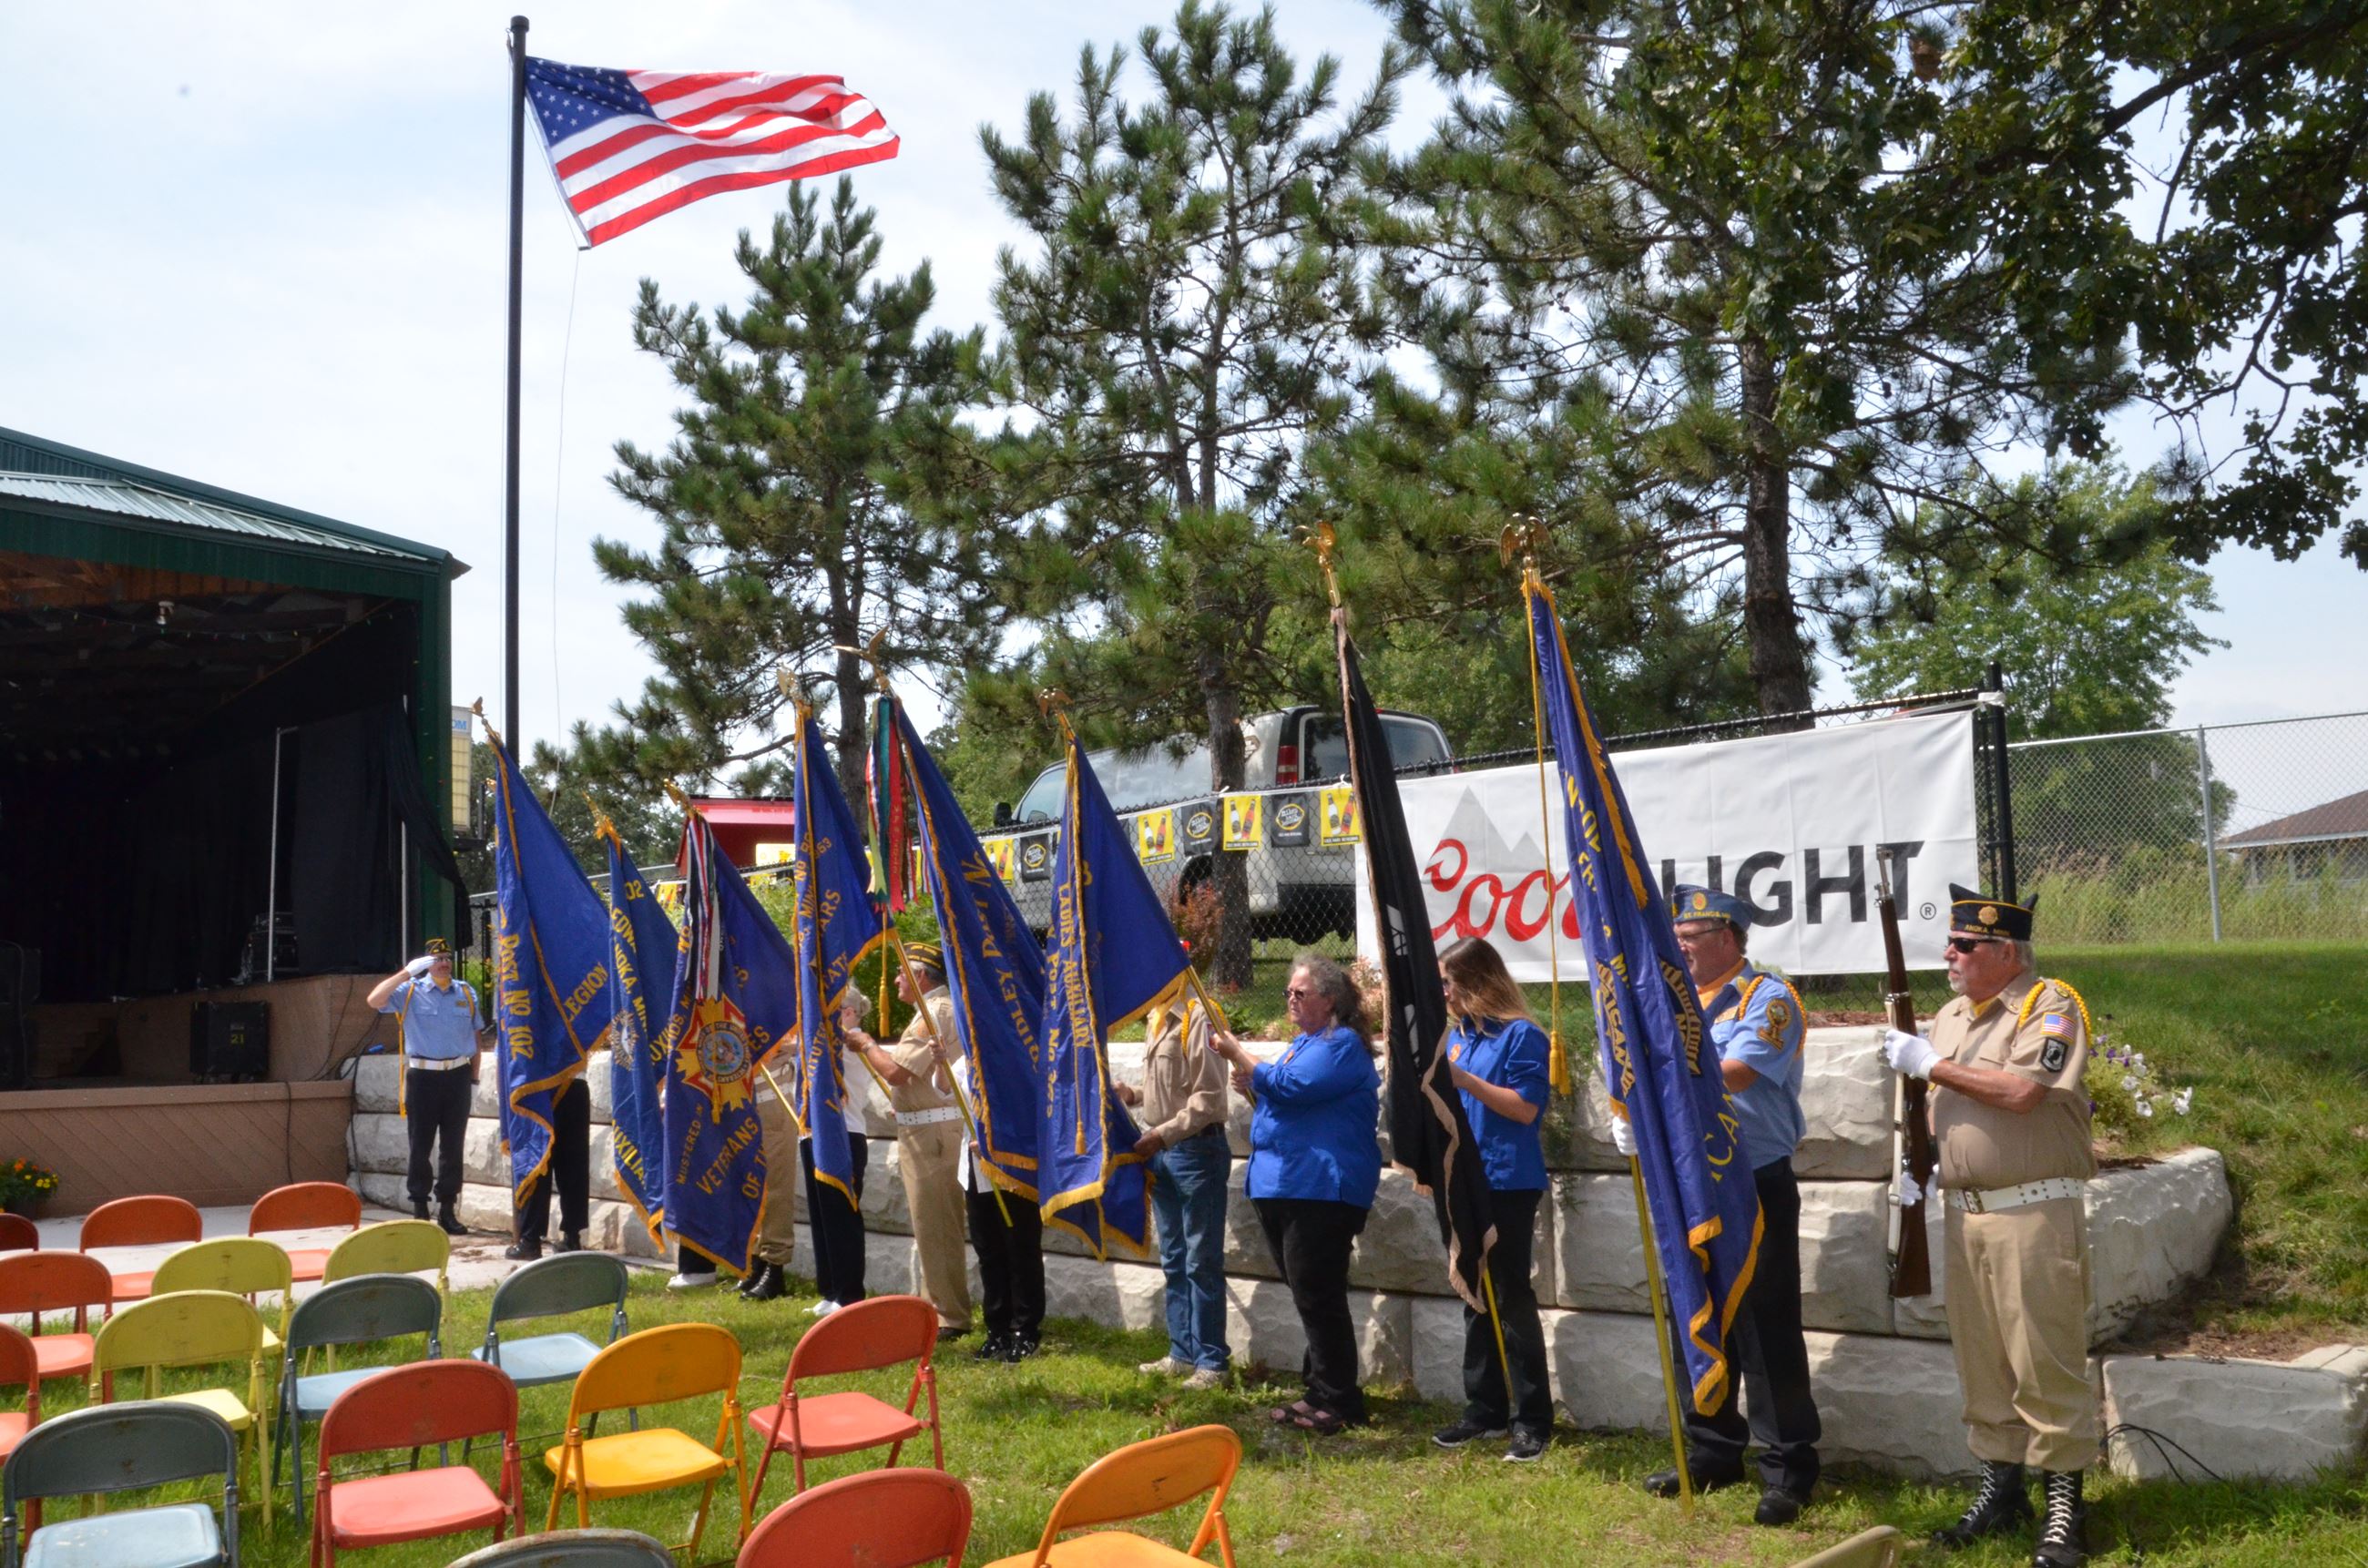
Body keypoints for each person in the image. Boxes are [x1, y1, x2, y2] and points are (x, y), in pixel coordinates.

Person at [1884, 886, 2097, 1568]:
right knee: (1984, 1365)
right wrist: (1921, 1163)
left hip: (2033, 1212)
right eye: (1951, 942)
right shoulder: (1950, 1014)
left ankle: (2065, 1503)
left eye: (1966, 944)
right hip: (1967, 1215)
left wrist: (1932, 1065)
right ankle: (2002, 1489)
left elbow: (2025, 1093)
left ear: (2007, 952)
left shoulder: (2048, 1006)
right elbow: (1940, 1108)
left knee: (2044, 1360)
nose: (1950, 953)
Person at [1629, 886, 1822, 1524]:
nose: (1679, 945)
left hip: (1751, 1181)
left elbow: (1735, 1072)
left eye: (1692, 937)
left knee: (1765, 1325)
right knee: (1698, 1312)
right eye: (1676, 936)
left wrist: (1662, 1066)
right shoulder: (1669, 999)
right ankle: (1712, 1449)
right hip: (1689, 1181)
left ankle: (1787, 1467)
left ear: (1730, 939)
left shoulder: (1769, 997)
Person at [1210, 952, 1382, 1434]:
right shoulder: (1300, 1044)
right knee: (1310, 1295)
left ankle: (1340, 1400)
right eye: (1288, 991)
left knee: (1319, 1294)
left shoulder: (1342, 1044)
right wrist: (1252, 1087)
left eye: (1300, 993)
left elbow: (1292, 1086)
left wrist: (1238, 1053)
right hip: (1284, 1183)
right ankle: (1320, 1390)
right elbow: (1280, 1098)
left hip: (1321, 1187)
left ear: (1329, 1000)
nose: (1290, 998)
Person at [1428, 936, 1554, 1463]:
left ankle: (1533, 1421)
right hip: (1466, 1181)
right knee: (1472, 1295)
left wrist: (1465, 1081)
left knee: (1509, 1296)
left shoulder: (1521, 1035)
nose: (1444, 994)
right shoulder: (1458, 1038)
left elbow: (1525, 1109)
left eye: (1448, 983)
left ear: (1476, 982)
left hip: (1507, 1180)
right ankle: (1484, 1409)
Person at [842, 944, 973, 1338]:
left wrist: (865, 1044)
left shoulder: (936, 1012)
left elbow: (898, 1073)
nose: (896, 979)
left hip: (933, 1134)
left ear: (921, 977)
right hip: (923, 1127)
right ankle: (938, 1307)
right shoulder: (933, 1010)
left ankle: (951, 1315)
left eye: (901, 972)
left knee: (937, 1225)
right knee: (928, 1224)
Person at [1118, 993, 1231, 1391]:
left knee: (1202, 1261)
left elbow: (1209, 1099)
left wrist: (1162, 1134)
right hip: (1164, 1152)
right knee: (1174, 1259)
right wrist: (1132, 1095)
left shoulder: (1200, 1017)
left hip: (1196, 1150)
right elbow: (1171, 1092)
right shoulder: (1158, 1016)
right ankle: (1182, 1353)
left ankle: (1212, 1362)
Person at [365, 937, 485, 1237]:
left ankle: (447, 1208)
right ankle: (420, 1208)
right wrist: (407, 972)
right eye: (436, 959)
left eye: (446, 958)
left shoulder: (466, 993)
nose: (443, 963)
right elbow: (374, 1000)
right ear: (427, 964)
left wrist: (474, 1079)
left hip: (456, 1076)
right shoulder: (409, 992)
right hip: (423, 1077)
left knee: (452, 1147)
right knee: (420, 1145)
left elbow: (476, 1039)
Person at [955, 1037, 1045, 1363]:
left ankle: (1025, 1330)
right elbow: (947, 1089)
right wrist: (940, 1062)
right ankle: (997, 1329)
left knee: (1020, 1249)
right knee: (988, 1251)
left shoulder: (1015, 1056)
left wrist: (995, 1142)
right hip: (976, 1171)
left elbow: (1026, 1110)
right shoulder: (968, 1053)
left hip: (1012, 1169)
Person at [800, 995, 878, 1315]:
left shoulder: (852, 1045)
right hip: (814, 1132)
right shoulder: (821, 1047)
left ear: (847, 1013)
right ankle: (830, 1288)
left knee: (842, 1215)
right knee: (821, 1215)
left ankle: (848, 1293)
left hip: (845, 1134)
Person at [507, 1075, 588, 1261]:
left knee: (535, 1161)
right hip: (570, 1081)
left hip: (536, 1084)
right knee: (572, 1165)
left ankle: (531, 1240)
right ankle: (571, 1237)